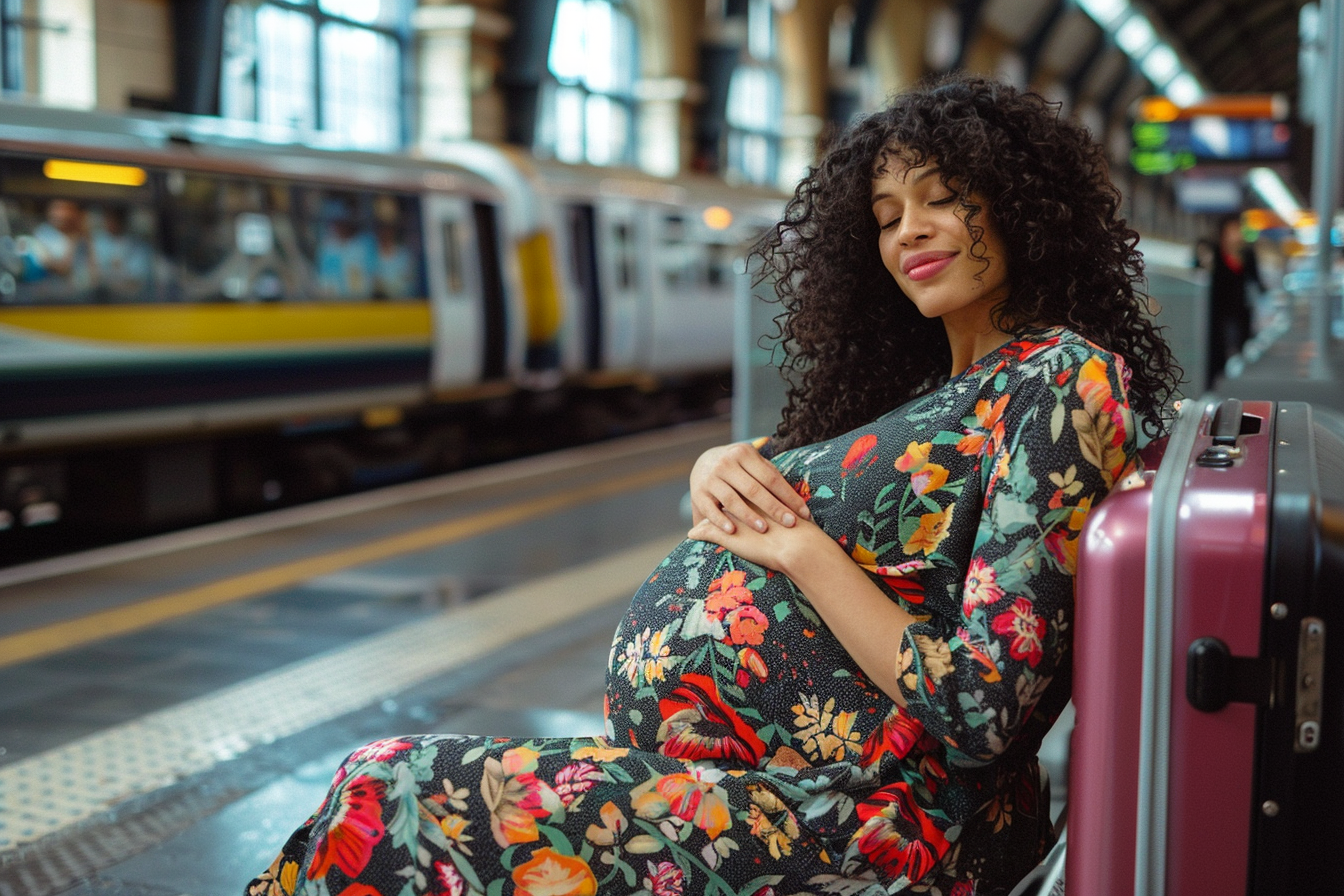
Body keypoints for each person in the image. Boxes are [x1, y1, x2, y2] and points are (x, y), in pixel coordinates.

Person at [246, 75, 1178, 896]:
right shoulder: (938, 386)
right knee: (375, 800)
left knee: (388, 791)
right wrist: (718, 467)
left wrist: (802, 552)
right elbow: (826, 496)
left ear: (1022, 204)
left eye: (944, 199)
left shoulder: (1059, 381)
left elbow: (983, 707)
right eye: (888, 215)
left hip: (889, 829)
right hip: (793, 790)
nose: (911, 233)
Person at [1205, 213, 1264, 386]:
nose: (1236, 234)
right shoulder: (1213, 252)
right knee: (1216, 351)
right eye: (1232, 229)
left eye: (1238, 229)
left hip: (1240, 312)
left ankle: (1233, 384)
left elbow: (1256, 282)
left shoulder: (1248, 254)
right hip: (1216, 313)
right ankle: (1214, 385)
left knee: (1239, 350)